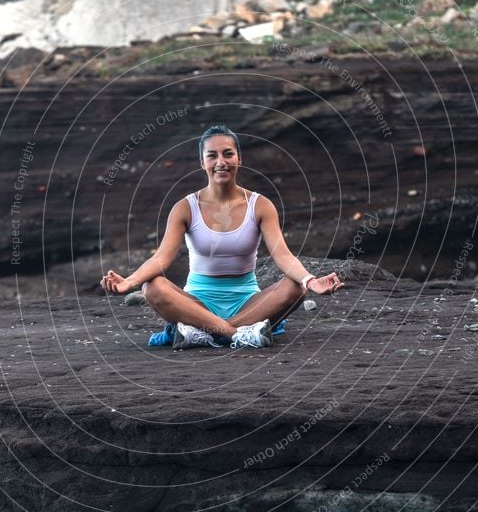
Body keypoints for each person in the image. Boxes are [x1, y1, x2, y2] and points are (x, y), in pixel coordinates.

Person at [100, 125, 344, 349]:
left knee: (296, 288)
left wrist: (310, 281)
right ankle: (237, 334)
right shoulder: (185, 207)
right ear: (201, 162)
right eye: (212, 155)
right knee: (152, 287)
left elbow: (282, 254)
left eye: (228, 154)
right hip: (196, 304)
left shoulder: (260, 205)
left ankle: (201, 333)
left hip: (249, 304)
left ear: (239, 158)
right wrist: (129, 282)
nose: (221, 162)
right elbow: (162, 258)